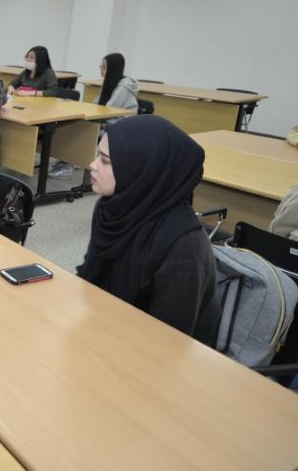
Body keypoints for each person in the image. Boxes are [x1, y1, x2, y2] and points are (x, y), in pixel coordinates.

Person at [77, 115, 219, 344]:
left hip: (154, 351)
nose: (92, 165)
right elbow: (90, 278)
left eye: (104, 160)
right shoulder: (111, 209)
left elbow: (167, 341)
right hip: (108, 326)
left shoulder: (184, 247)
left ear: (141, 170)